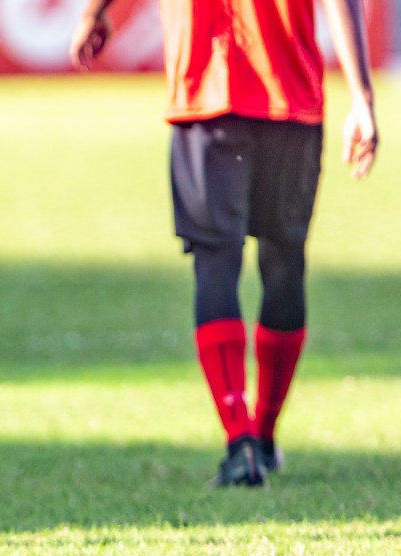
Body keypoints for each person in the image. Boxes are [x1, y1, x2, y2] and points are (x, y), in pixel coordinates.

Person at [71, 0, 377, 485]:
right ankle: (265, 435)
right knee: (284, 264)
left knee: (216, 264)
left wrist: (95, 12)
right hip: (290, 94)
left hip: (206, 92)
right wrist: (363, 96)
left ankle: (241, 443)